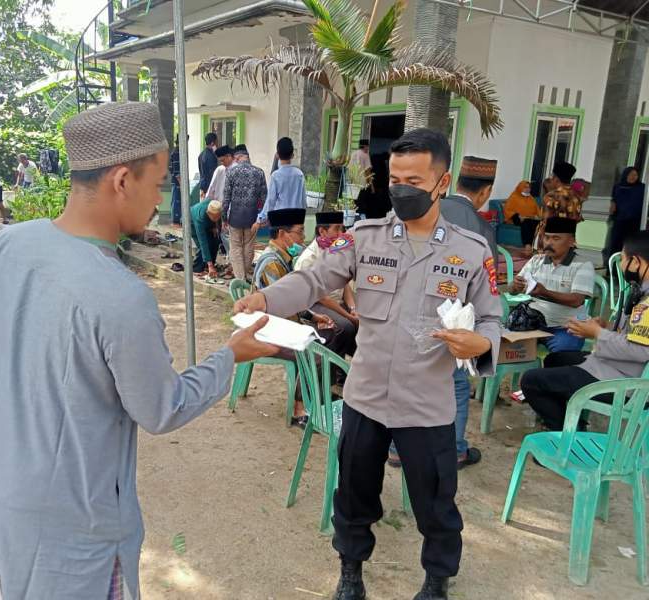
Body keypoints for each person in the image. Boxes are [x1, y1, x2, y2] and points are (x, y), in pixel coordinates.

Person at [0, 102, 277, 600]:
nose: (159, 199)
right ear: (123, 180)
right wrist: (230, 355)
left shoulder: (6, 247)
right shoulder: (119, 295)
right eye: (157, 184)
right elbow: (161, 407)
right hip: (69, 528)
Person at [236, 129, 502, 600]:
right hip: (366, 399)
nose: (400, 188)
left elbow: (492, 318)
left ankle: (437, 579)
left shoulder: (471, 252)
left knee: (436, 504)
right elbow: (313, 278)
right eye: (394, 178)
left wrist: (480, 343)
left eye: (413, 179)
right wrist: (265, 298)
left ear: (441, 183)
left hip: (427, 407)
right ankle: (351, 571)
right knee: (354, 495)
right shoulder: (366, 238)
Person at [521, 231, 649, 430]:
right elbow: (637, 336)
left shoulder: (646, 302)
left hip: (628, 384)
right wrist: (604, 327)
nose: (621, 265)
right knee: (554, 360)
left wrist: (597, 333)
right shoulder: (641, 290)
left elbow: (641, 351)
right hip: (620, 367)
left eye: (623, 259)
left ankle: (566, 435)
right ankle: (571, 421)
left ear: (636, 262)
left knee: (530, 380)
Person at [253, 207, 353, 427]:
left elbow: (292, 301)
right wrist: (307, 328)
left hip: (280, 324)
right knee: (318, 349)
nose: (303, 237)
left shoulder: (282, 258)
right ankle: (300, 410)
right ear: (282, 234)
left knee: (329, 335)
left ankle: (318, 397)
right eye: (299, 232)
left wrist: (313, 317)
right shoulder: (271, 262)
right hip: (267, 330)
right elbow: (279, 307)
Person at [434, 155, 499, 470]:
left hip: (413, 313)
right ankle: (456, 449)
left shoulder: (429, 210)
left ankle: (395, 448)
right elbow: (487, 285)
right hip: (454, 317)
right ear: (485, 192)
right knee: (457, 383)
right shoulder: (482, 228)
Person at [510, 217, 594, 352]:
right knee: (506, 346)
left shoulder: (583, 265)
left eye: (556, 239)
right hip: (532, 322)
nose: (549, 243)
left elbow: (576, 300)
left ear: (572, 242)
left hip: (565, 326)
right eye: (547, 238)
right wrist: (515, 285)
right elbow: (512, 290)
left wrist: (544, 292)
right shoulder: (536, 260)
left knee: (561, 355)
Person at [295, 211, 358, 357]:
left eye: (342, 228)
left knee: (367, 319)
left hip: (336, 301)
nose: (341, 233)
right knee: (346, 327)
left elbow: (344, 284)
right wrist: (349, 316)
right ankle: (331, 370)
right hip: (316, 304)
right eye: (336, 228)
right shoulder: (308, 259)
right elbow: (323, 298)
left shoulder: (337, 250)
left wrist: (353, 307)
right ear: (322, 231)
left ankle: (350, 371)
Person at [223, 145, 266, 281]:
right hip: (252, 218)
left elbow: (226, 198)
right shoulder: (259, 173)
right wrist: (262, 218)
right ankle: (245, 274)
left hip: (235, 217)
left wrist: (224, 217)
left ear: (237, 157)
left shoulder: (231, 172)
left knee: (235, 247)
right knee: (248, 246)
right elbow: (264, 198)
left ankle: (240, 278)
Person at [256, 137, 306, 225]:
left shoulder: (276, 176)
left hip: (280, 219)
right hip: (297, 220)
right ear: (292, 155)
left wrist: (261, 218)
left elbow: (271, 201)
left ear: (277, 155)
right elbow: (303, 200)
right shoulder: (299, 174)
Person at [605, 167, 645, 262]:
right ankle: (613, 269)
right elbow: (614, 201)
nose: (633, 177)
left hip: (634, 223)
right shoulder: (618, 187)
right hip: (619, 222)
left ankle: (627, 269)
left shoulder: (642, 188)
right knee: (616, 246)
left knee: (631, 247)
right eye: (631, 174)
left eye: (635, 175)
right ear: (625, 175)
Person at [503, 180, 541, 251]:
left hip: (530, 218)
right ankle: (527, 245)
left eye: (529, 187)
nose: (527, 189)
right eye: (525, 187)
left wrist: (538, 216)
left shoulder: (531, 198)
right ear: (520, 188)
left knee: (538, 224)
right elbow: (507, 209)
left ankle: (536, 245)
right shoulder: (514, 197)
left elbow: (537, 210)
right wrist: (519, 216)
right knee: (526, 222)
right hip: (516, 218)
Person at [191, 199, 222, 278]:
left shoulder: (216, 206)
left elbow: (218, 220)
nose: (217, 219)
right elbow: (203, 242)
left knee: (215, 240)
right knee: (204, 245)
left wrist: (215, 227)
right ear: (209, 213)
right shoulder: (200, 217)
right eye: (215, 217)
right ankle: (197, 268)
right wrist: (210, 265)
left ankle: (208, 266)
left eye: (219, 216)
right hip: (192, 222)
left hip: (208, 223)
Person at [198, 132, 218, 200]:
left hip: (202, 185)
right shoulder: (211, 156)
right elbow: (212, 173)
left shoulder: (201, 154)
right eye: (216, 142)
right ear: (213, 143)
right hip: (209, 186)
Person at [169, 135, 183, 227]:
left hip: (175, 181)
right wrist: (181, 183)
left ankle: (175, 220)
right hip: (177, 181)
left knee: (174, 200)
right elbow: (177, 171)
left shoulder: (174, 151)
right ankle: (176, 221)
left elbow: (170, 168)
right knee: (177, 201)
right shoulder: (177, 152)